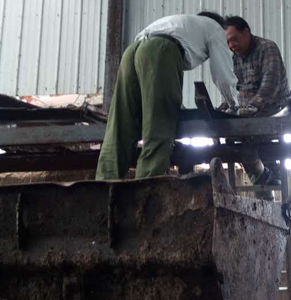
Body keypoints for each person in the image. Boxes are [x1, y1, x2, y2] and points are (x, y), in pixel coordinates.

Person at [96, 12, 237, 180]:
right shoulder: (215, 28)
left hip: (132, 53)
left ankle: (104, 185)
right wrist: (234, 104)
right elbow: (222, 74)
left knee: (121, 125)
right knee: (159, 127)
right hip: (159, 51)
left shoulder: (181, 23)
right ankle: (147, 188)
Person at [221, 15, 291, 193]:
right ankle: (264, 183)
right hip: (249, 115)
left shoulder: (267, 48)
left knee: (250, 134)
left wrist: (250, 108)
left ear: (246, 32)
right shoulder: (235, 59)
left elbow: (270, 85)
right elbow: (231, 87)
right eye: (228, 42)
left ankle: (272, 173)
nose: (231, 45)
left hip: (275, 108)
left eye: (234, 39)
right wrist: (224, 108)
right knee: (236, 141)